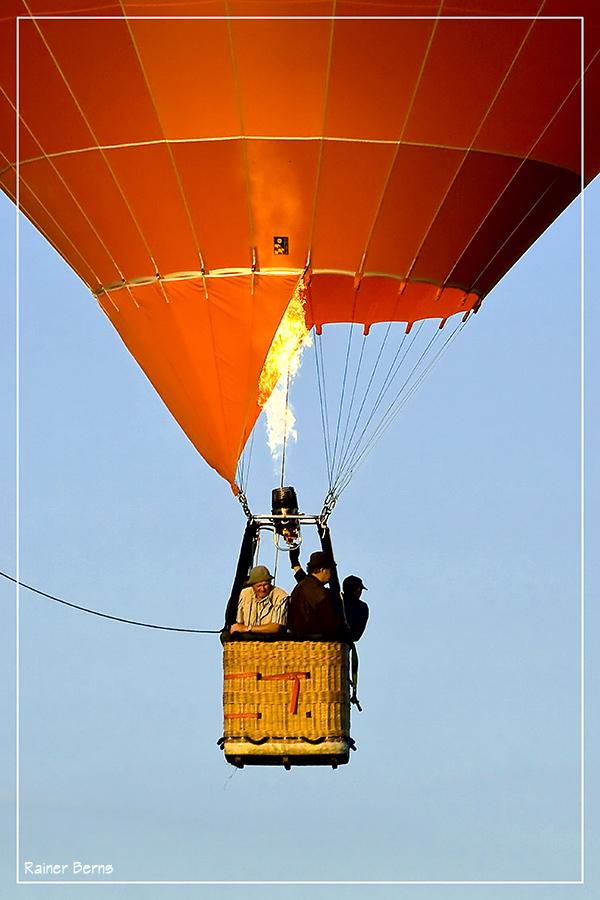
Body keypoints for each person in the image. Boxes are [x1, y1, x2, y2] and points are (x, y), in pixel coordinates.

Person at [286, 551, 344, 639]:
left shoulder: (301, 585)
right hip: (315, 643)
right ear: (322, 570)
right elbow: (331, 625)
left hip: (296, 640)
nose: (331, 574)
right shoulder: (322, 594)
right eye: (330, 570)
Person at [229, 565, 289, 637]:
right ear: (252, 586)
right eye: (259, 586)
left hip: (273, 642)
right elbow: (239, 623)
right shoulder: (244, 594)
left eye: (265, 585)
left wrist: (248, 628)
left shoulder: (281, 597)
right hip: (249, 643)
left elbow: (276, 627)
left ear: (270, 583)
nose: (262, 589)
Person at [341, 575, 369, 642]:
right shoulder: (362, 608)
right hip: (343, 646)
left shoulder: (333, 599)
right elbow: (357, 636)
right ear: (358, 589)